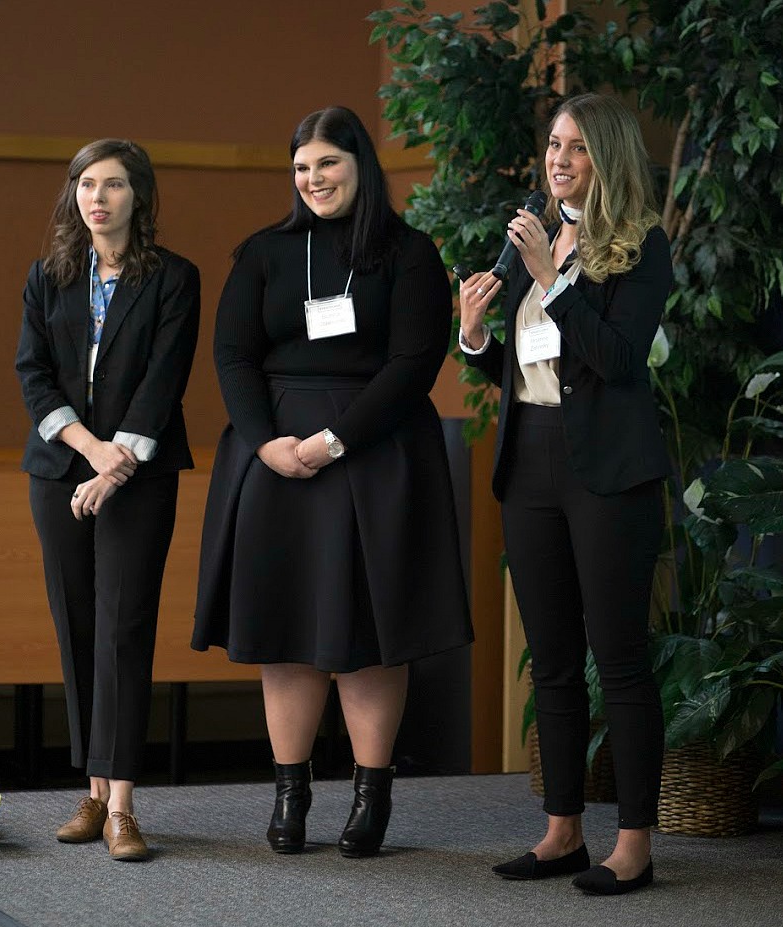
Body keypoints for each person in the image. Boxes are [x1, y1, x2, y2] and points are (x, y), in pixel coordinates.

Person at [192, 105, 472, 858]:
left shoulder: (410, 253)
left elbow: (416, 363)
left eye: (327, 164)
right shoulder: (263, 252)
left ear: (361, 165)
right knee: (286, 629)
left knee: (371, 634)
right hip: (276, 454)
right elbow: (232, 356)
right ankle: (291, 791)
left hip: (377, 452)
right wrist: (265, 444)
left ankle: (370, 794)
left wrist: (335, 439)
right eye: (301, 169)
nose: (312, 180)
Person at [459, 93, 672, 895]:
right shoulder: (531, 238)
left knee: (617, 660)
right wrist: (475, 331)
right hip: (532, 459)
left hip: (609, 468)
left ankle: (634, 844)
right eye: (552, 144)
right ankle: (561, 833)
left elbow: (617, 360)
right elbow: (517, 360)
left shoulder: (641, 247)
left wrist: (553, 278)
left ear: (606, 157)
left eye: (576, 147)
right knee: (549, 661)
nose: (558, 159)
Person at [16, 139, 200, 861]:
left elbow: (165, 379)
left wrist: (117, 463)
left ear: (138, 197)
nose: (99, 197)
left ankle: (123, 802)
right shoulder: (48, 277)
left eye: (115, 184)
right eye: (87, 184)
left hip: (141, 474)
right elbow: (33, 374)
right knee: (78, 628)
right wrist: (91, 453)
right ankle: (92, 793)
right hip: (60, 472)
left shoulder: (174, 278)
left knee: (124, 627)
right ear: (75, 195)